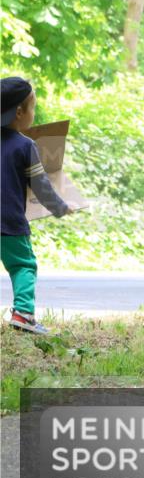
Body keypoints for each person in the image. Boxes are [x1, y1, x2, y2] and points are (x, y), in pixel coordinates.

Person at [2, 77, 74, 336]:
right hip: (8, 222)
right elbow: (41, 186)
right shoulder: (25, 145)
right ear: (19, 113)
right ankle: (23, 313)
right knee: (23, 265)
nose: (33, 114)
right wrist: (61, 207)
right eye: (32, 108)